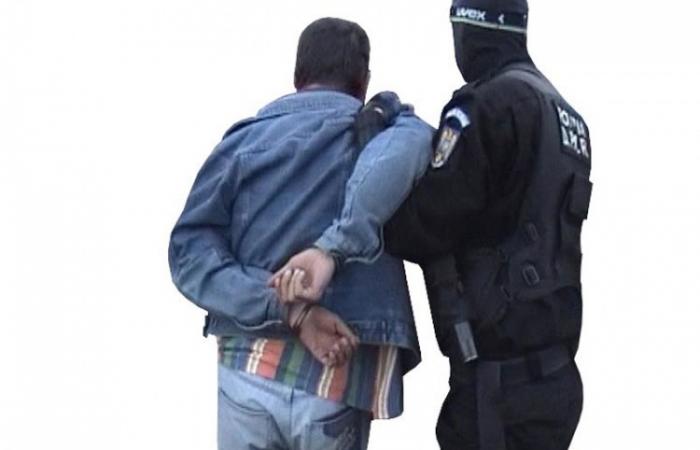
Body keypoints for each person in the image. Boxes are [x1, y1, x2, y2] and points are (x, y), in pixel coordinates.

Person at [271, 1, 592, 449]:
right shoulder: (567, 117)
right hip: (554, 377)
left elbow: (426, 223)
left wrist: (375, 154)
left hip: (499, 384)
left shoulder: (487, 105)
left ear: (472, 31)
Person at [168, 17, 433, 450]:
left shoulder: (241, 143)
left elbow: (188, 253)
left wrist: (281, 305)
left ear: (297, 76)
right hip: (337, 372)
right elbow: (420, 141)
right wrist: (390, 108)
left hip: (246, 368)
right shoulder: (388, 135)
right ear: (363, 81)